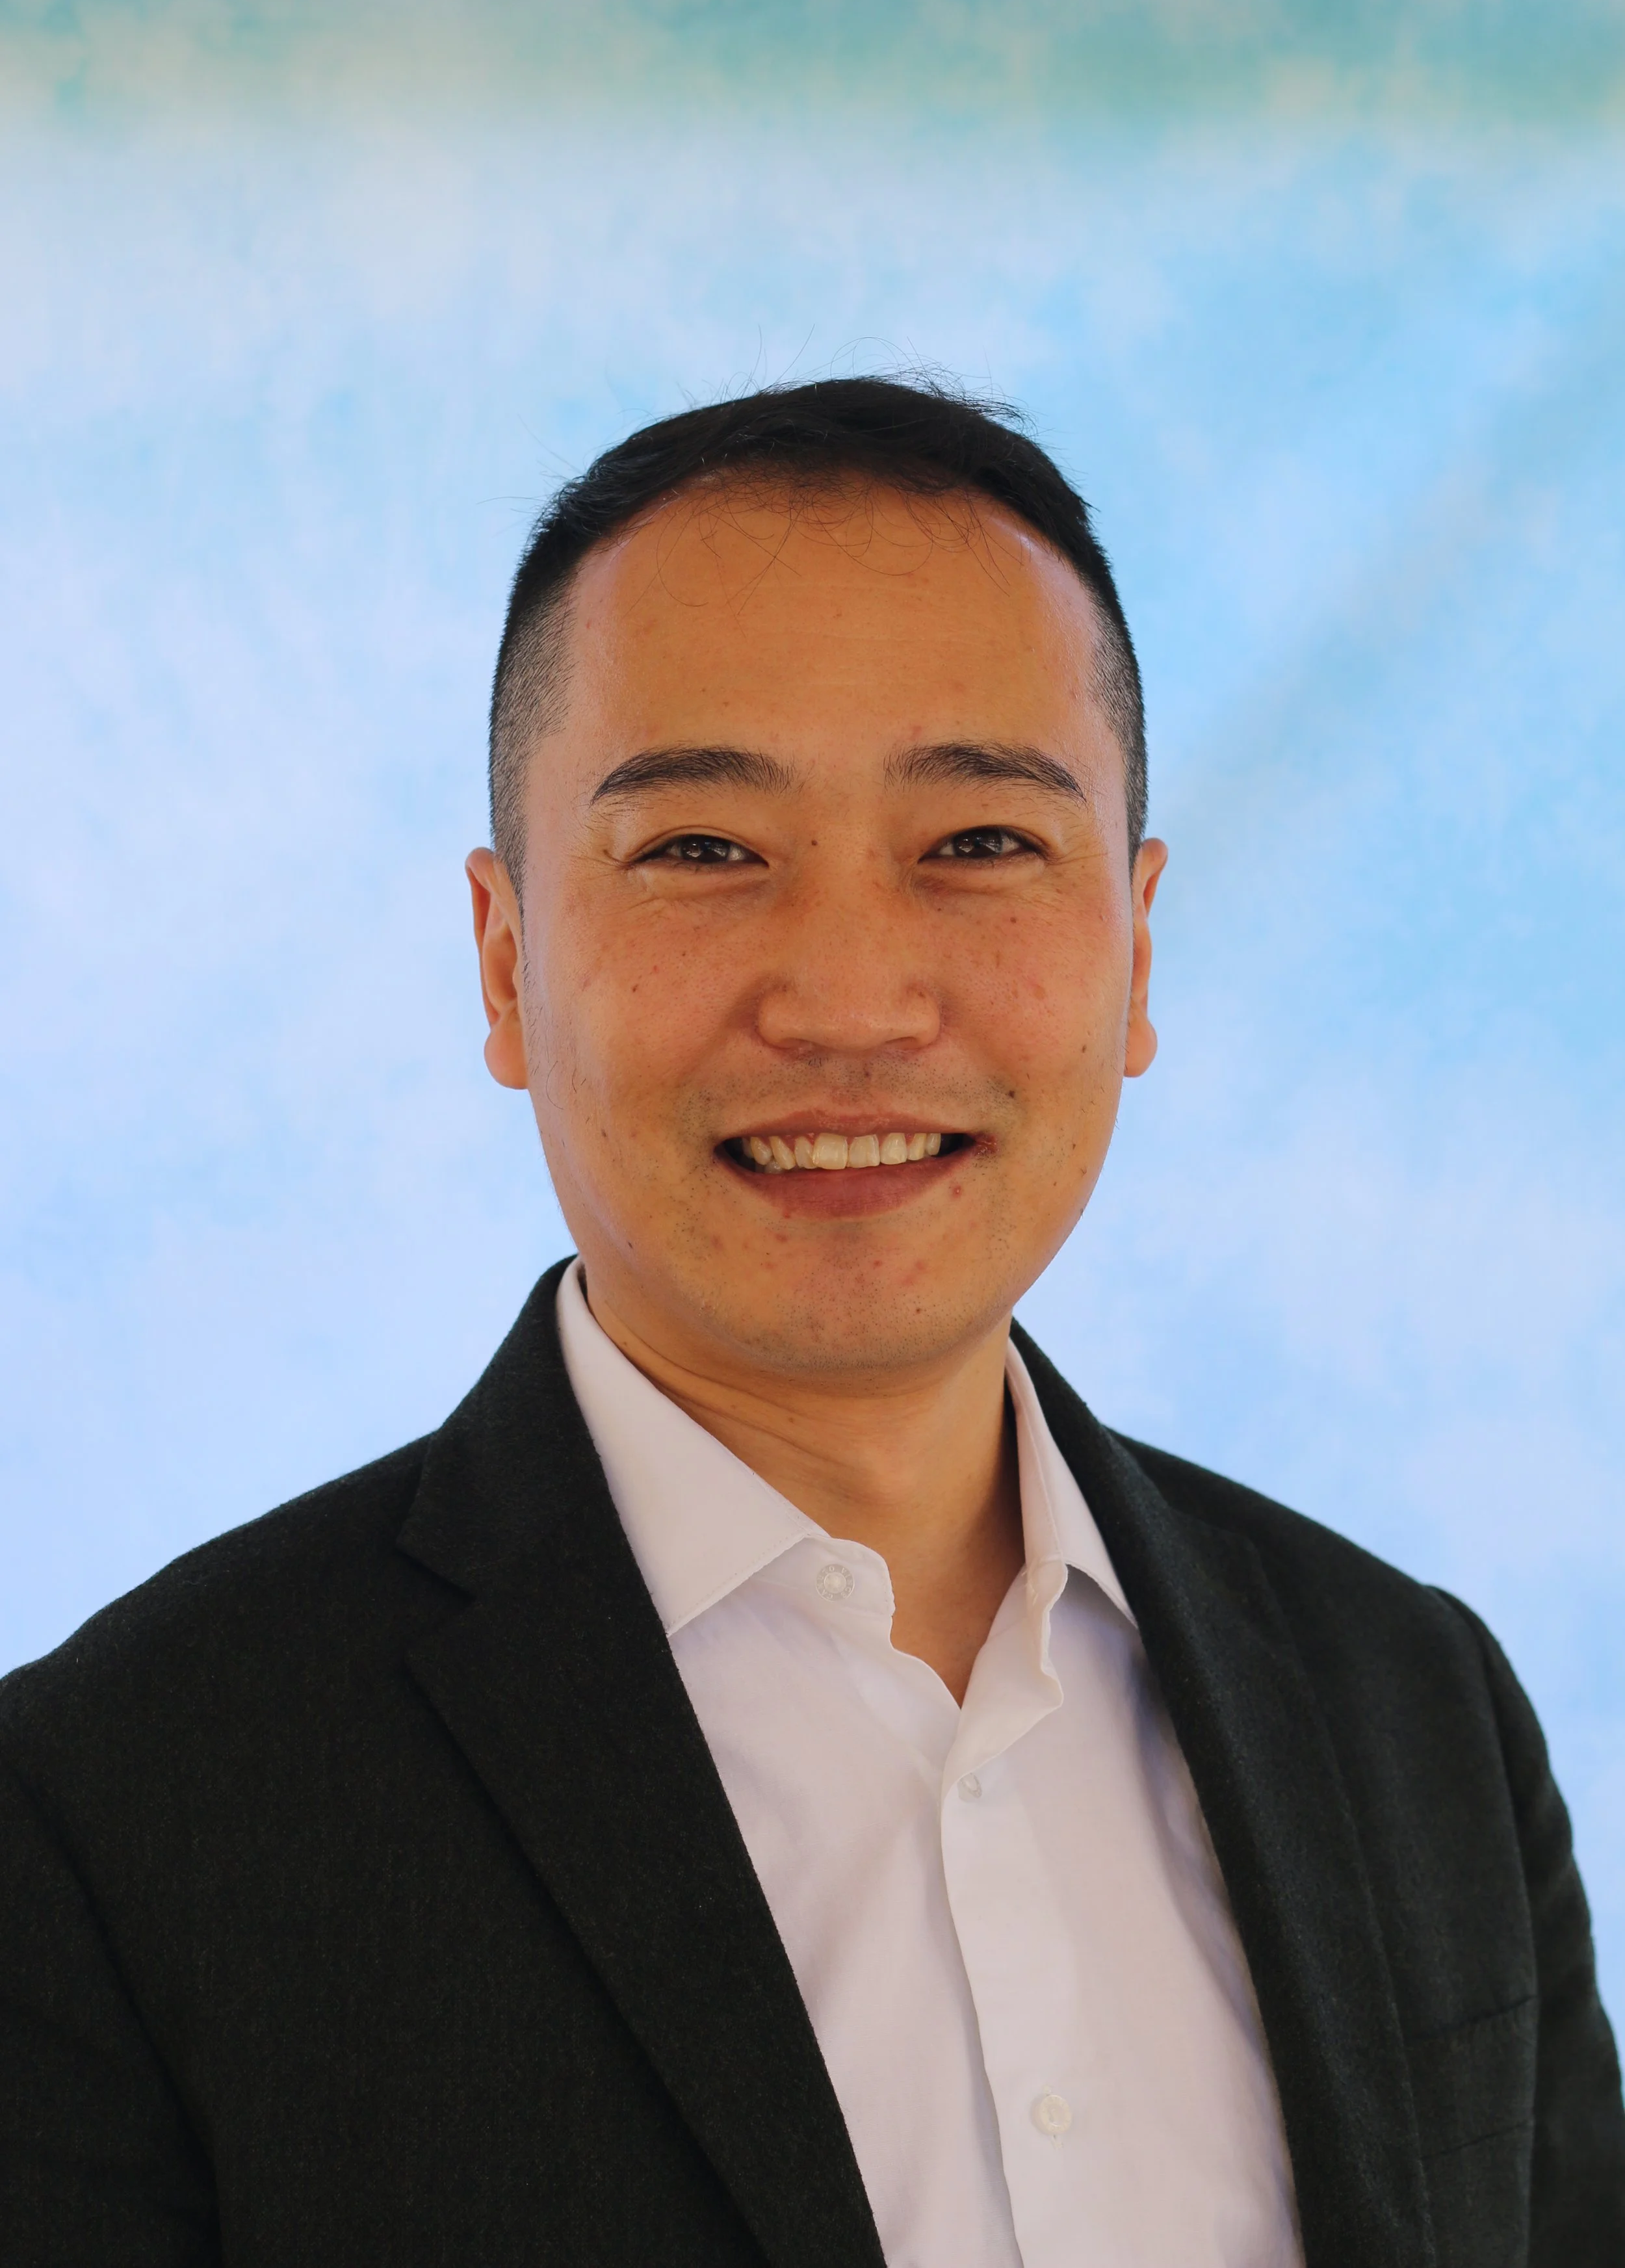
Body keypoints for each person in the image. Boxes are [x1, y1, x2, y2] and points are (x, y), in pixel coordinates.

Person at [1, 377, 1620, 2268]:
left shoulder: (1407, 1709)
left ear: (1137, 944)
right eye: (701, 848)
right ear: (507, 959)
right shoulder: (119, 1820)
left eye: (979, 844)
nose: (851, 998)